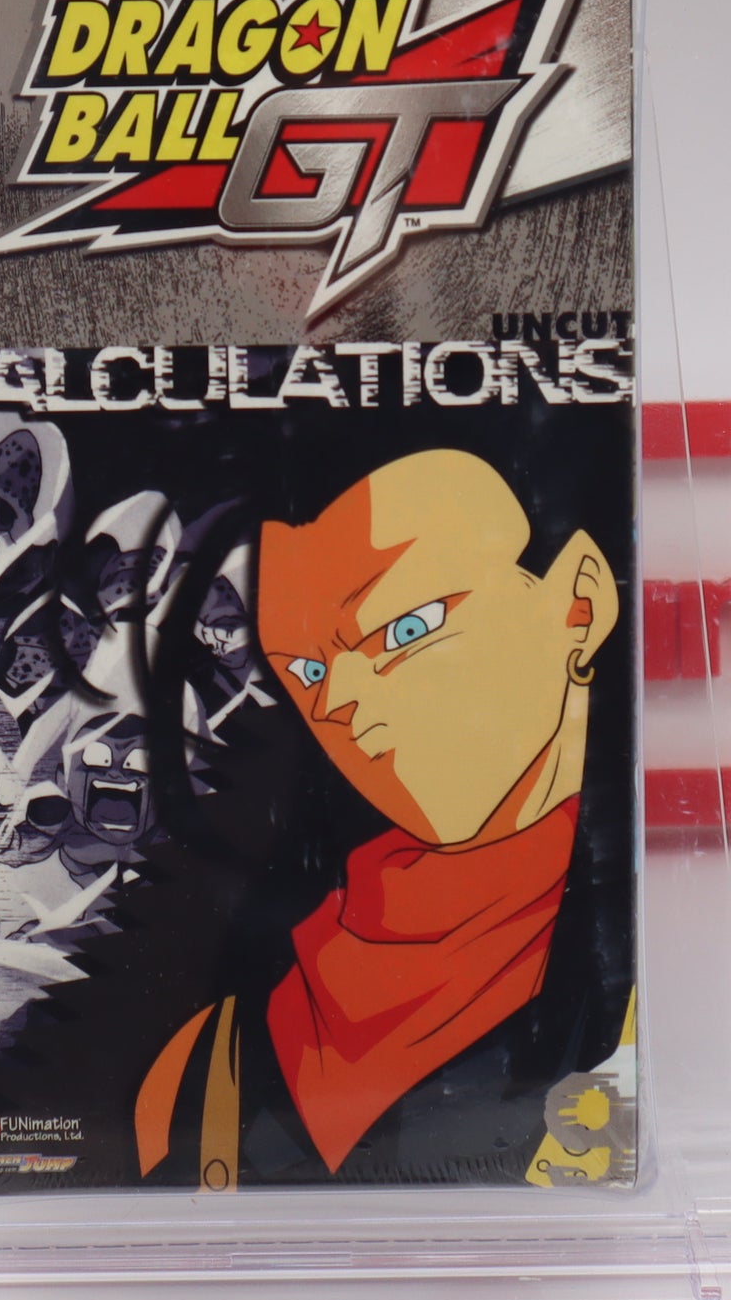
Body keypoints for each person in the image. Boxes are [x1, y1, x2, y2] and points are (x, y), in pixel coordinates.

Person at [134, 447, 633, 1189]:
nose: (340, 703)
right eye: (307, 670)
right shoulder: (215, 1052)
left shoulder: (653, 973)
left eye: (407, 629)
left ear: (579, 605)